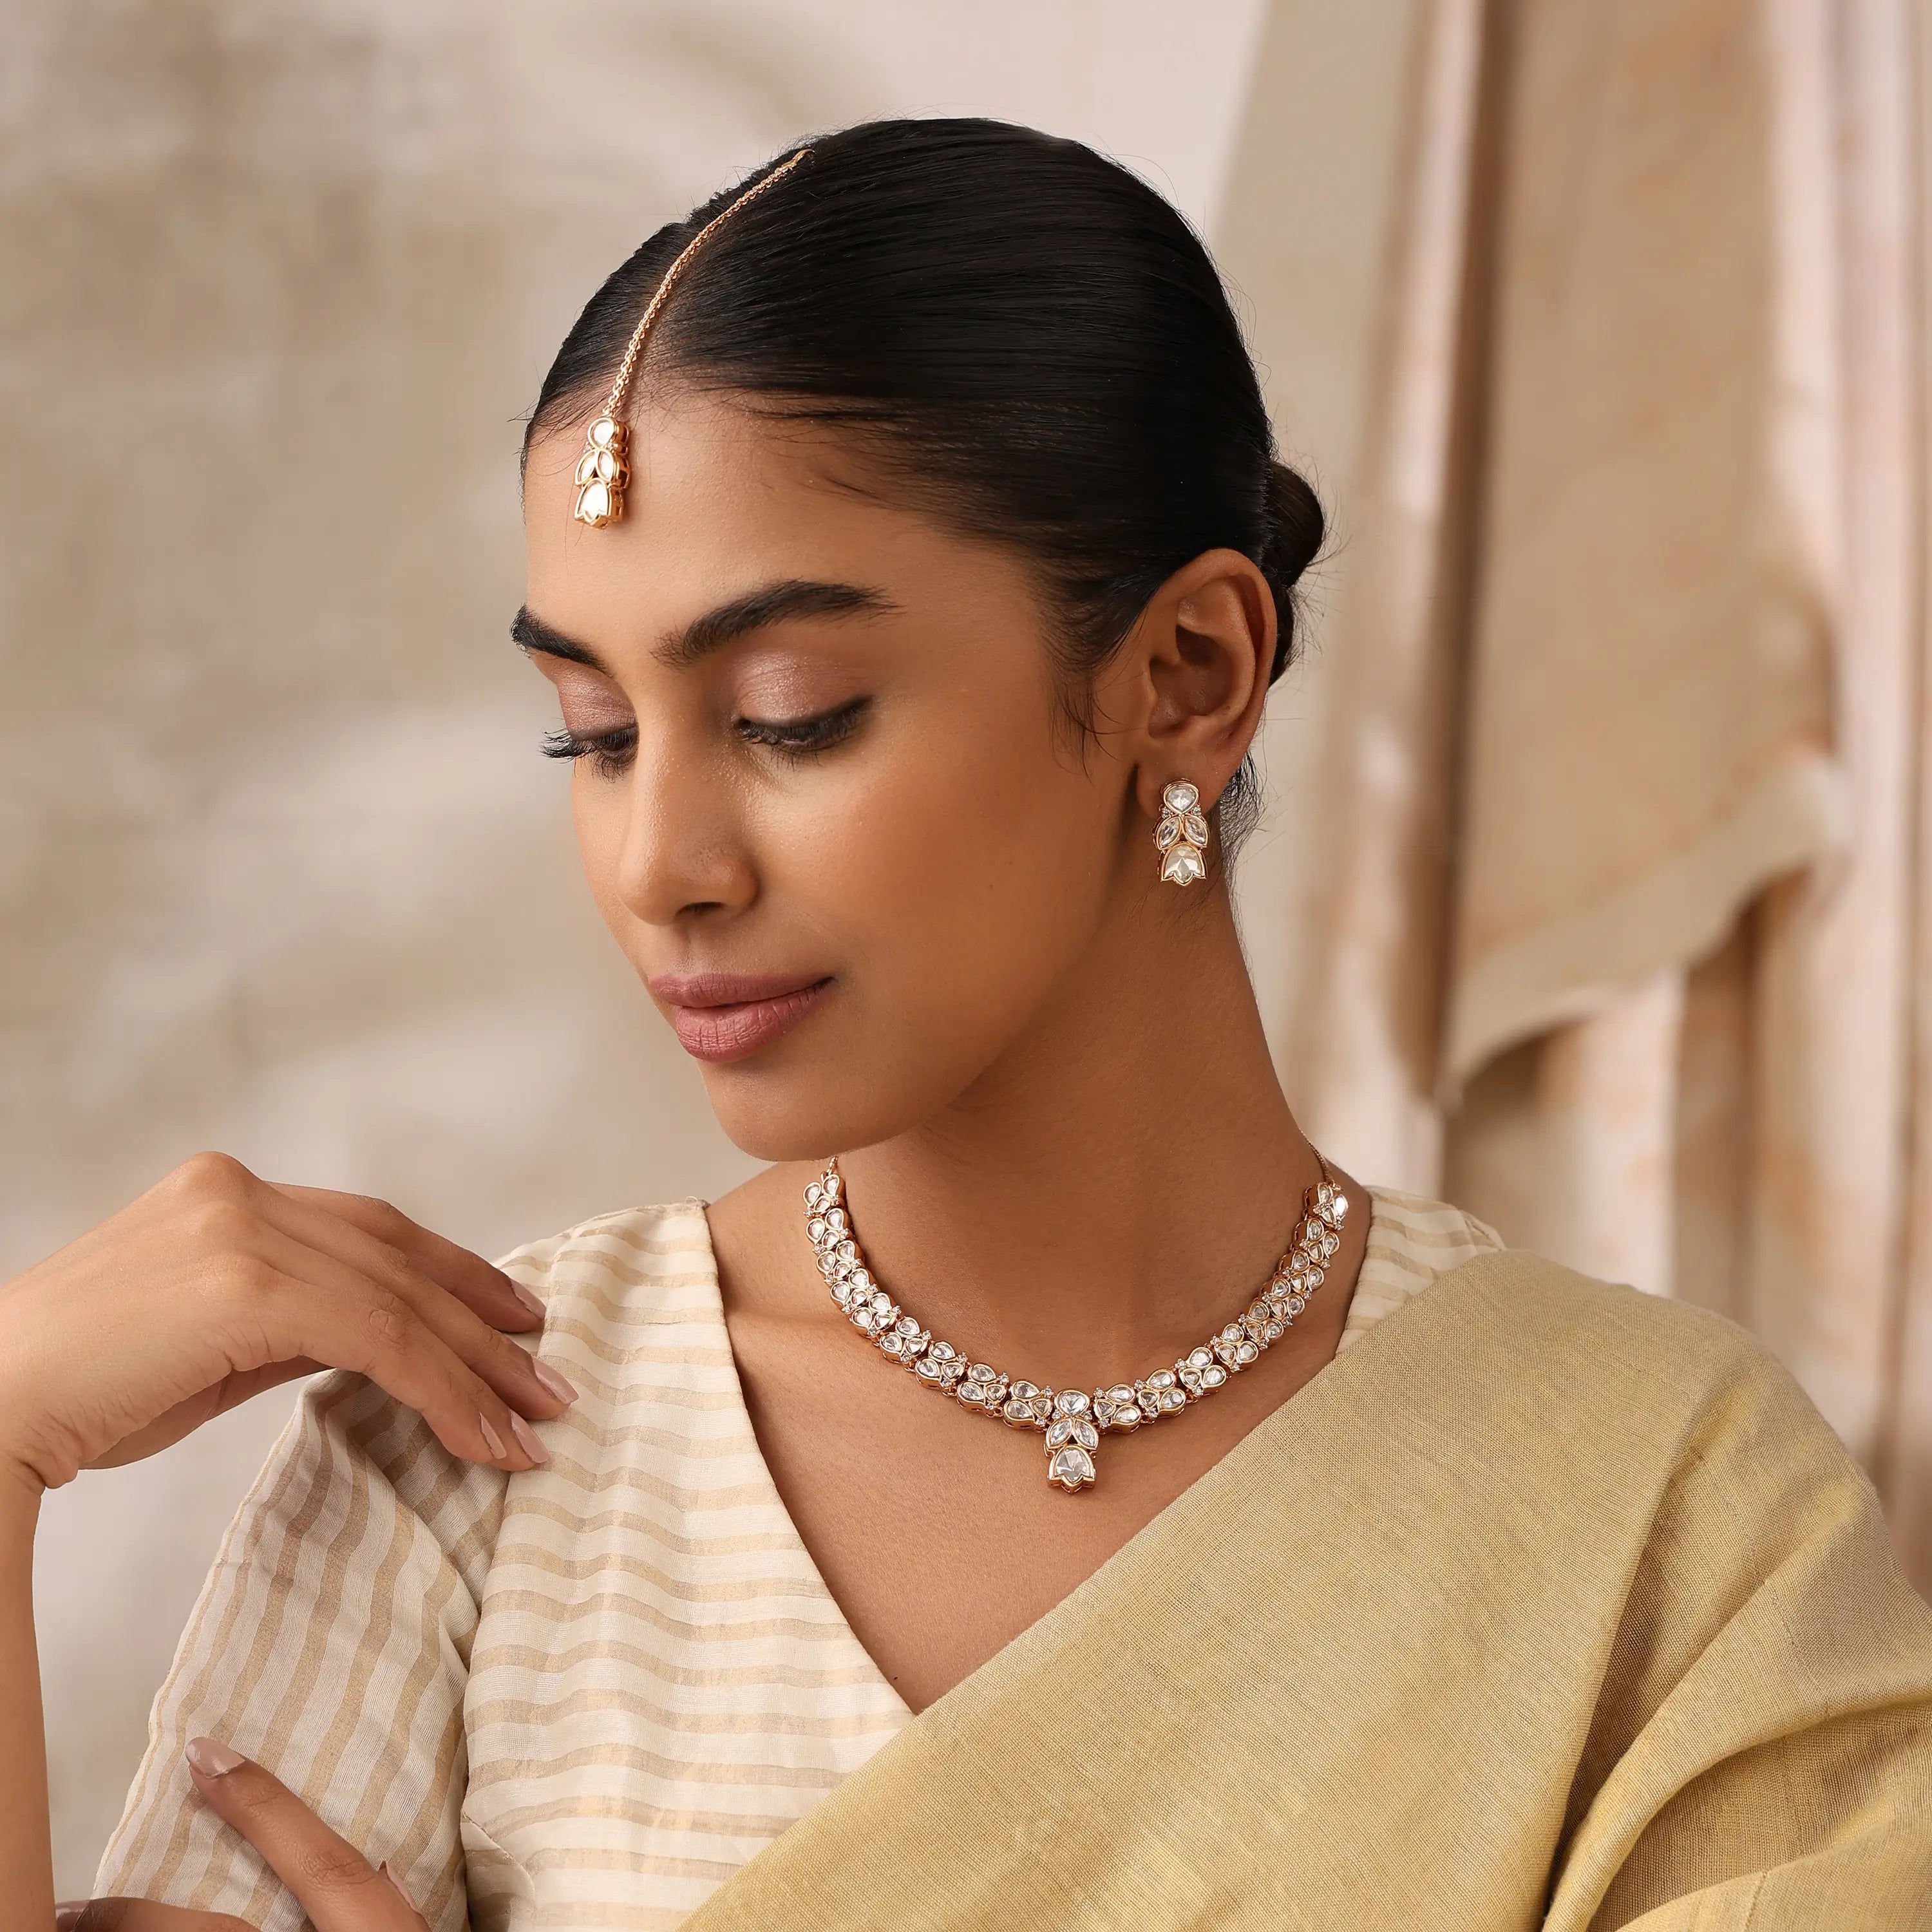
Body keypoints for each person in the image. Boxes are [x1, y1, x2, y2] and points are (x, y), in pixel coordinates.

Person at [5, 118, 1929, 1932]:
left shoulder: (1663, 1515)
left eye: (787, 711)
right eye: (591, 736)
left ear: (1191, 671)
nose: (657, 858)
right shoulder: (474, 1461)